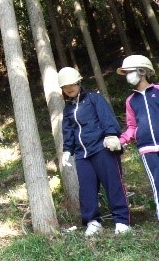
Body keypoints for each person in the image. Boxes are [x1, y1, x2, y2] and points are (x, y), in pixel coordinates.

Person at [58, 67, 131, 236]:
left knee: (113, 184)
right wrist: (67, 150)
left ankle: (121, 221)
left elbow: (106, 117)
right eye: (65, 86)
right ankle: (93, 222)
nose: (69, 88)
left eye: (71, 84)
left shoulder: (94, 99)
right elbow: (68, 132)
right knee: (87, 190)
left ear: (78, 82)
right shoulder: (68, 109)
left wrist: (112, 135)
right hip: (82, 154)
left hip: (102, 148)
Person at [117, 54, 159, 221]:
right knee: (157, 183)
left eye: (130, 72)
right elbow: (132, 127)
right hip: (147, 149)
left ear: (142, 71)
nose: (128, 76)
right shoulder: (130, 101)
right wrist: (120, 140)